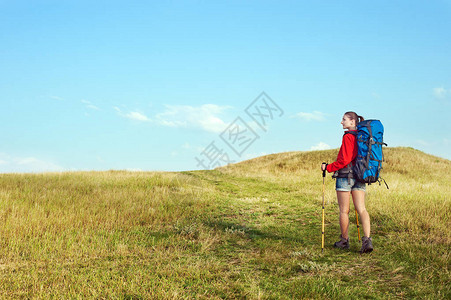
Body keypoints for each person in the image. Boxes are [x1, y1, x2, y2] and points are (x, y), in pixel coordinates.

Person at [321, 112, 373, 253]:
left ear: (352, 122)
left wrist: (328, 167)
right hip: (360, 176)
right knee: (361, 209)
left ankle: (344, 241)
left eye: (344, 120)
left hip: (345, 177)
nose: (341, 122)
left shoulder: (348, 137)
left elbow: (344, 160)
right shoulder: (363, 138)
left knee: (344, 210)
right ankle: (367, 240)